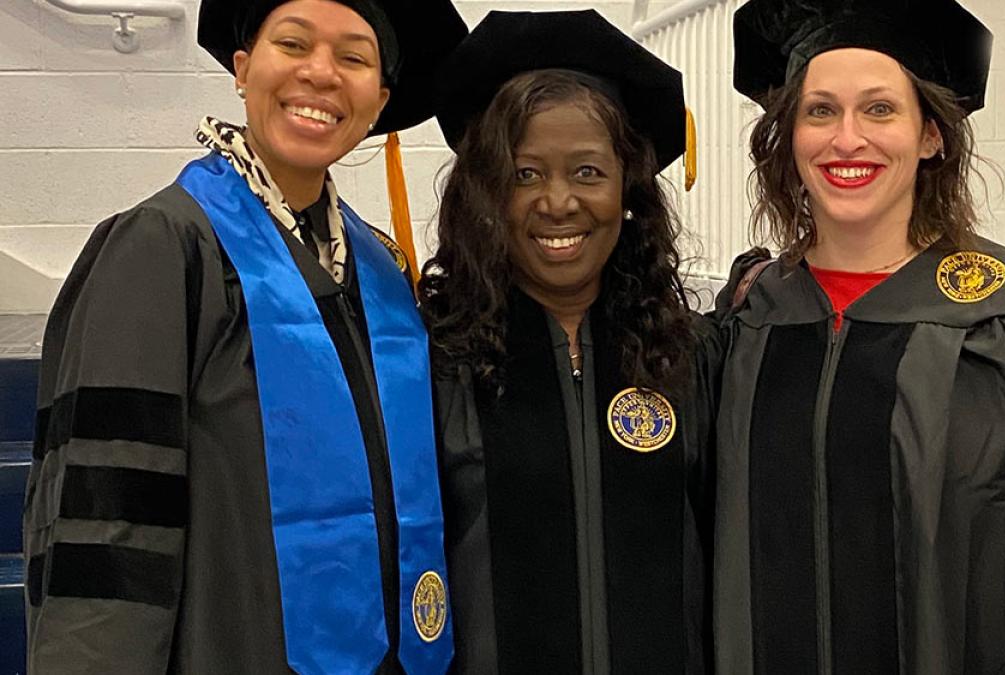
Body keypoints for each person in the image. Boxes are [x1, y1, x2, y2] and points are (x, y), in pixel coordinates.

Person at [712, 0, 1005, 672]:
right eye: (820, 110)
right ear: (788, 135)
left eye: (879, 109)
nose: (847, 138)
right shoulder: (749, 319)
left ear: (931, 134)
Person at [22, 0, 465, 672]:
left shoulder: (380, 271)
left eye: (353, 57)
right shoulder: (163, 248)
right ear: (241, 67)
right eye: (293, 43)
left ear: (378, 101)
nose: (320, 73)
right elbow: (110, 519)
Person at [423, 10, 717, 674]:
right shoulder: (434, 361)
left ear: (628, 190)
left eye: (587, 172)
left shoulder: (691, 356)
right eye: (525, 175)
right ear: (486, 194)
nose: (558, 202)